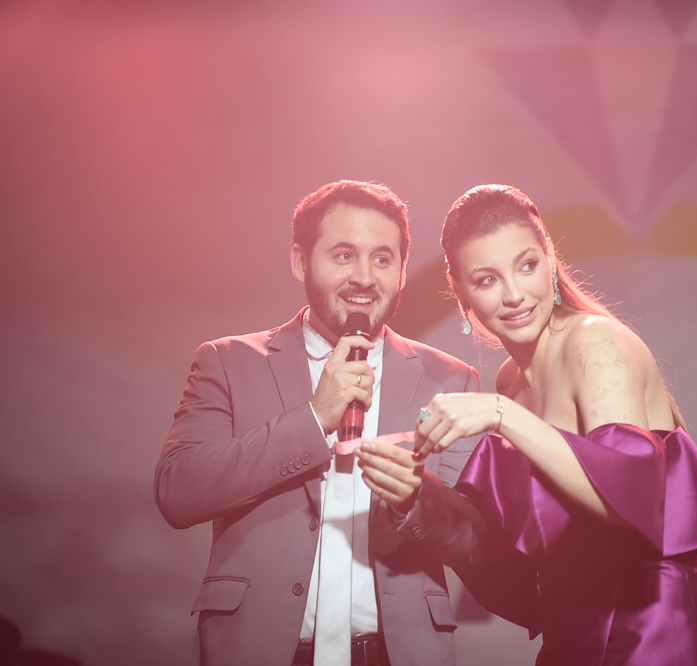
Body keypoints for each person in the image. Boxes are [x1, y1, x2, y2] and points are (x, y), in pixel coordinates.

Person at [408, 184, 697, 665]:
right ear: (459, 289)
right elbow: (514, 566)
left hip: (653, 632)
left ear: (550, 257)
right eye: (486, 280)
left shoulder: (595, 343)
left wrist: (502, 415)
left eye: (527, 265)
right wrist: (414, 490)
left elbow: (628, 504)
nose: (514, 295)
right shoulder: (509, 380)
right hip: (568, 636)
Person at [155, 180, 485, 666]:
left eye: (382, 258)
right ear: (300, 261)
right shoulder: (228, 361)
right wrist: (312, 419)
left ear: (401, 271)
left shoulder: (450, 379)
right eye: (344, 256)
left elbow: (476, 542)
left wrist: (418, 497)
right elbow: (178, 492)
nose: (364, 278)